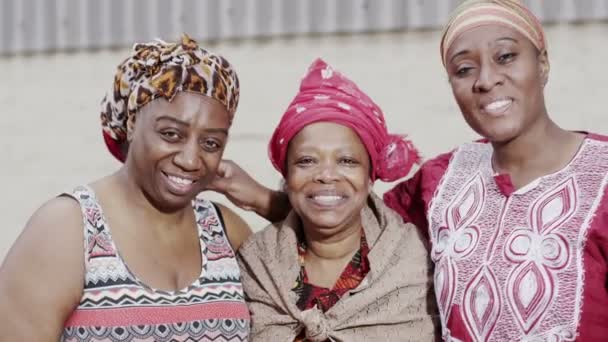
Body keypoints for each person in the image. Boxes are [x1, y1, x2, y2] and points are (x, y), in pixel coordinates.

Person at [210, 1, 608, 340]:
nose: (486, 79)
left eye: (506, 57)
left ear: (542, 63)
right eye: (464, 69)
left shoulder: (602, 176)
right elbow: (347, 225)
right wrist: (262, 198)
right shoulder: (440, 182)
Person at [0, 35, 252, 341]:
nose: (190, 159)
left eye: (211, 143)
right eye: (171, 134)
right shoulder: (68, 230)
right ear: (132, 122)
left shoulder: (226, 232)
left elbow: (316, 271)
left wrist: (266, 201)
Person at [235, 58, 438, 341]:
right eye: (306, 161)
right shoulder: (256, 265)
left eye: (346, 160)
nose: (326, 175)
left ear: (370, 177)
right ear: (287, 177)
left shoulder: (416, 261)